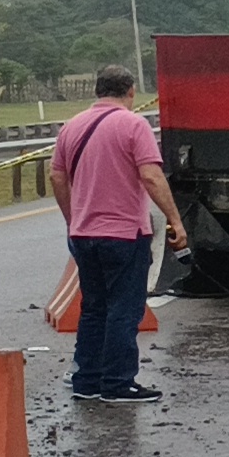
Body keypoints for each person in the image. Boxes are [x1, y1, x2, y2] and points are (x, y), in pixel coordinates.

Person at [55, 65, 186, 404]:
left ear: (97, 91)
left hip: (83, 235)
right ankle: (117, 383)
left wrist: (73, 219)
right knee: (124, 310)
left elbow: (57, 177)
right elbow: (152, 177)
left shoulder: (72, 126)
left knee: (93, 308)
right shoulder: (134, 125)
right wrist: (175, 220)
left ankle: (87, 381)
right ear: (130, 91)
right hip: (125, 234)